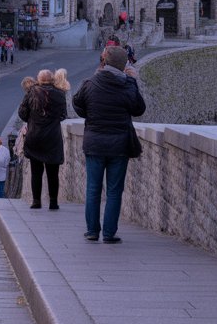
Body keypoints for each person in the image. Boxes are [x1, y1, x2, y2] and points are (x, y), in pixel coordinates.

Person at [72, 45, 146, 244]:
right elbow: (139, 109)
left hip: (94, 143)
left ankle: (92, 231)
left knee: (93, 188)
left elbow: (77, 104)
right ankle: (109, 233)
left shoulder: (91, 82)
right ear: (124, 66)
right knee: (114, 190)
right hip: (119, 145)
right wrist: (133, 81)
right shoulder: (127, 84)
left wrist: (91, 114)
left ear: (104, 61)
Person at [18, 69, 68, 210]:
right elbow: (63, 115)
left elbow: (22, 113)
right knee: (53, 172)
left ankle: (36, 201)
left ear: (39, 79)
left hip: (35, 136)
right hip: (52, 136)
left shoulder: (31, 93)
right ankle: (53, 202)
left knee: (36, 171)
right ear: (52, 79)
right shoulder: (60, 94)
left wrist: (33, 119)